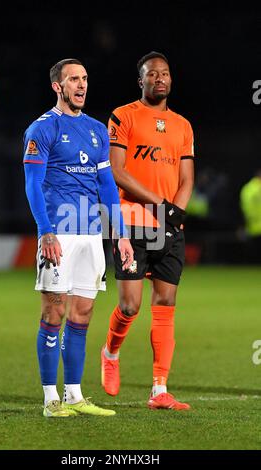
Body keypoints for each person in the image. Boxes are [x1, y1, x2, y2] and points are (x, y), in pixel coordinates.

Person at [23, 58, 133, 418]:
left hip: (91, 234)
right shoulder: (42, 129)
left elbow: (107, 187)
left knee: (82, 315)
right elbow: (33, 185)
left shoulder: (97, 129)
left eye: (85, 78)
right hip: (58, 234)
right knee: (54, 312)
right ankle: (49, 398)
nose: (81, 85)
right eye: (74, 79)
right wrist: (45, 232)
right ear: (58, 86)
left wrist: (121, 234)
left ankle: (74, 395)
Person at [101, 51, 195, 410]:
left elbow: (187, 178)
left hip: (169, 224)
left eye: (165, 73)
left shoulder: (183, 125)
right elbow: (117, 171)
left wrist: (176, 213)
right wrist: (161, 204)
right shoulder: (123, 116)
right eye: (152, 74)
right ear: (140, 81)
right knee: (130, 304)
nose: (160, 78)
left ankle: (159, 390)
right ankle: (110, 352)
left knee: (166, 302)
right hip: (131, 221)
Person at [240, 169, 261, 264]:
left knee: (254, 258)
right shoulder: (259, 188)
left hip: (251, 226)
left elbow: (244, 207)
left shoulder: (247, 188)